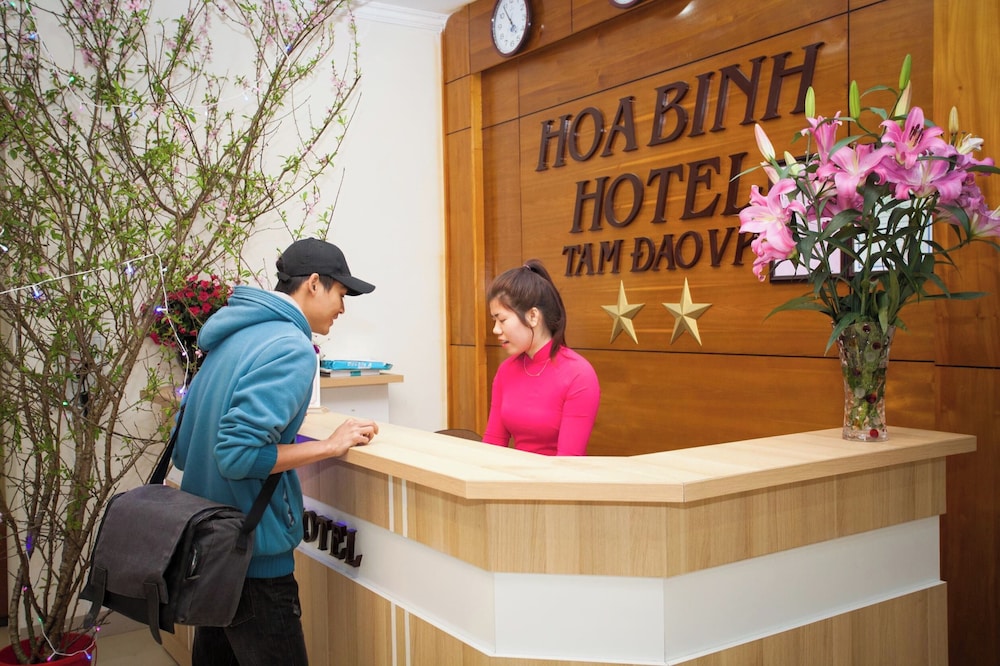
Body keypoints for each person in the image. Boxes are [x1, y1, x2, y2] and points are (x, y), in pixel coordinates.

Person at [171, 237, 380, 666]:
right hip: (253, 558)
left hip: (210, 549)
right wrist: (330, 445)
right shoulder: (290, 347)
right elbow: (238, 456)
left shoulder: (232, 337)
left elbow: (184, 449)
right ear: (315, 283)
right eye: (342, 294)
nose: (343, 308)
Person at [481, 259, 600, 456]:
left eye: (502, 320)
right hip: (512, 474)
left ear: (533, 316)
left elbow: (569, 461)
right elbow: (493, 444)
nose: (496, 330)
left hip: (558, 475)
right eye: (494, 320)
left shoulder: (579, 375)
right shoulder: (506, 370)